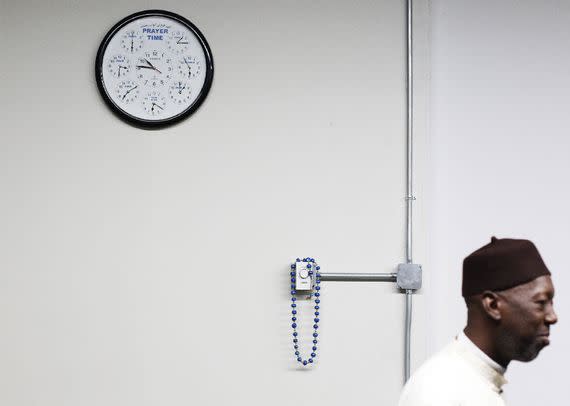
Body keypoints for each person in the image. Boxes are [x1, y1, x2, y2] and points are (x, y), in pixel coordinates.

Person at [398, 237, 558, 406]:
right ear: (493, 305)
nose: (552, 317)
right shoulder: (439, 390)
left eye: (551, 303)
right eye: (541, 302)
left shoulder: (476, 381)